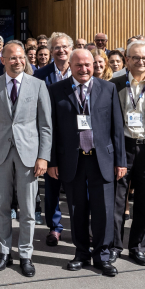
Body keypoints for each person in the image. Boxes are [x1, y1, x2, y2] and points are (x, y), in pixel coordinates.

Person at [49, 48, 126, 276]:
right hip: (71, 160)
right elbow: (51, 129)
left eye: (88, 65)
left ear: (94, 65)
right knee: (76, 208)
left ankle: (102, 255)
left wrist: (120, 161)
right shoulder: (55, 90)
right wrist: (52, 161)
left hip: (102, 159)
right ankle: (81, 253)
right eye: (78, 65)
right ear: (70, 67)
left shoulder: (109, 88)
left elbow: (117, 128)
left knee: (103, 210)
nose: (84, 69)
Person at [0, 40, 51, 277]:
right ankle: (4, 252)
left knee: (28, 209)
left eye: (21, 57)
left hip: (29, 156)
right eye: (12, 57)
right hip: (0, 154)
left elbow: (45, 126)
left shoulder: (38, 85)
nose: (18, 61)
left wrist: (43, 157)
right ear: (3, 60)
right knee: (1, 207)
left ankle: (26, 255)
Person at [110, 41, 145, 266]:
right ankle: (114, 245)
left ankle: (138, 247)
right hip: (123, 147)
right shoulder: (114, 84)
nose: (141, 62)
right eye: (136, 58)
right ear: (127, 59)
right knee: (116, 201)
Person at [34, 33, 74, 245]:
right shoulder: (40, 75)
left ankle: (78, 227)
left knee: (77, 188)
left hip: (75, 139)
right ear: (51, 50)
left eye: (65, 47)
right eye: (57, 47)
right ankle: (55, 227)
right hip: (49, 138)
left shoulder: (79, 70)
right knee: (51, 187)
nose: (61, 50)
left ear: (71, 48)